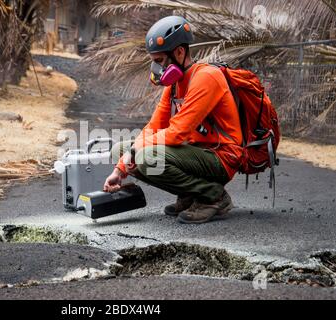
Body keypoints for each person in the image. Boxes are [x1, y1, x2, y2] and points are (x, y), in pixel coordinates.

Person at [103, 16, 244, 224]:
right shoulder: (174, 85)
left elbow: (177, 133)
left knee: (147, 156)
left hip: (222, 156)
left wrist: (133, 154)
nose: (156, 68)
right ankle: (189, 194)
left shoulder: (206, 77)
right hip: (195, 153)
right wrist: (120, 169)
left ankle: (214, 196)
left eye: (159, 60)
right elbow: (154, 127)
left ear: (179, 52)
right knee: (120, 151)